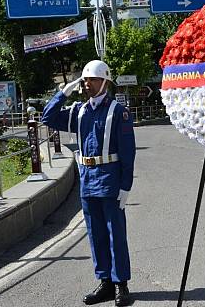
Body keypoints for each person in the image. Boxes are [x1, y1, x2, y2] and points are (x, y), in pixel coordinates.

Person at [41, 60, 136, 306]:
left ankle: (121, 285)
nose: (87, 84)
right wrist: (63, 92)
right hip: (87, 180)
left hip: (111, 181)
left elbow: (128, 152)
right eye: (85, 80)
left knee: (116, 234)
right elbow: (48, 117)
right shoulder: (79, 110)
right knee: (95, 234)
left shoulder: (118, 111)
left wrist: (126, 186)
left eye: (91, 79)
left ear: (105, 81)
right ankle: (104, 282)